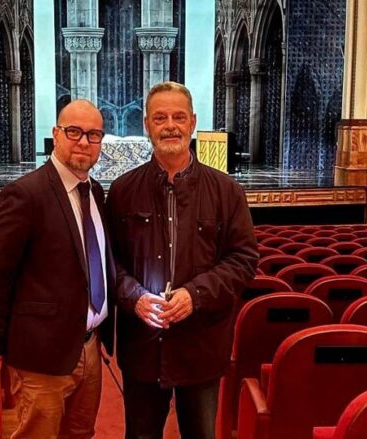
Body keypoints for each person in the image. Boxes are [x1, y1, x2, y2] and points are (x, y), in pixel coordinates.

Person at [106, 82, 258, 439]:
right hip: (143, 348)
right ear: (147, 124)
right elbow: (108, 262)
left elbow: (243, 259)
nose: (170, 125)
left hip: (201, 345)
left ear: (193, 122)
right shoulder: (123, 191)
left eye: (178, 116)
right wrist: (134, 297)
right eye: (160, 118)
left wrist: (196, 294)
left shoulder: (227, 191)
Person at [0, 99, 115, 438]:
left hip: (89, 346)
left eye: (93, 135)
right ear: (56, 134)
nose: (83, 142)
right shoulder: (26, 193)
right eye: (74, 132)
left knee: (81, 433)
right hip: (41, 354)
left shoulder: (95, 192)